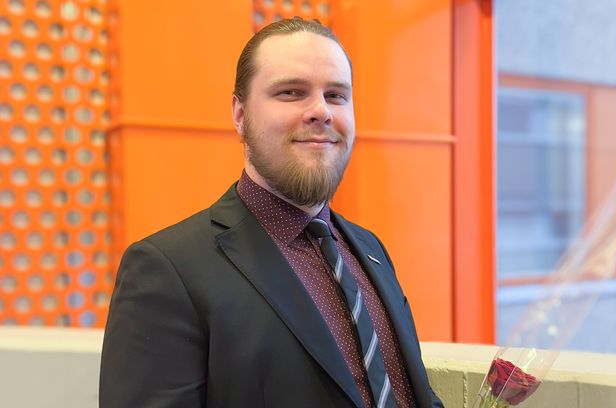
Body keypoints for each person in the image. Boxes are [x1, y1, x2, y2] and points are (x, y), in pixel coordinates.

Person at [99, 17, 443, 408]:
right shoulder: (168, 271)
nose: (321, 112)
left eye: (335, 95)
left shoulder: (370, 249)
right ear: (240, 114)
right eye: (291, 92)